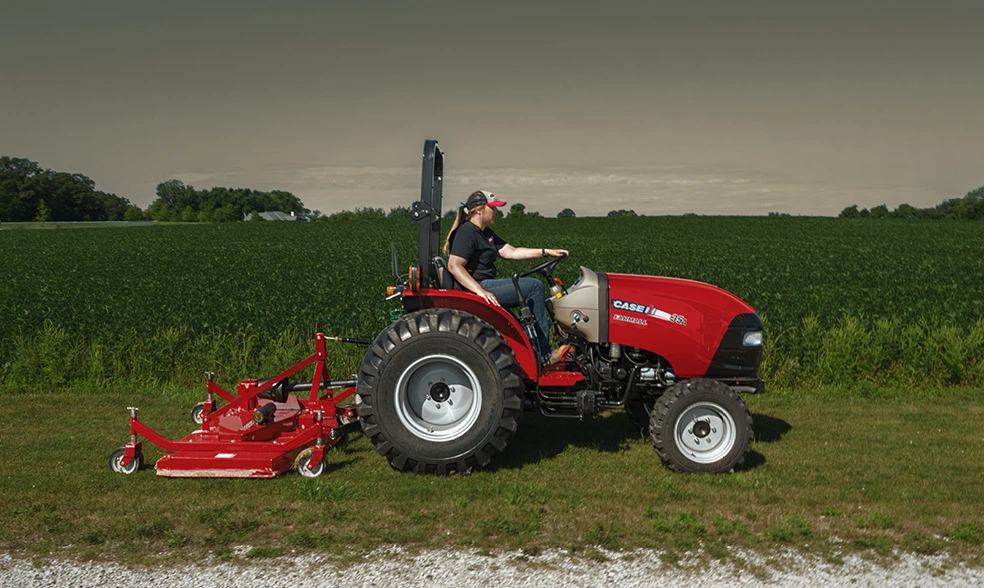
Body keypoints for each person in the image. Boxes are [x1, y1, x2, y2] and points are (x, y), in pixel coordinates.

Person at [444, 190, 571, 365]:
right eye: (493, 208)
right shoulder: (467, 232)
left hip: (483, 285)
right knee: (534, 287)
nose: (497, 212)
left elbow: (511, 251)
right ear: (479, 210)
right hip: (477, 287)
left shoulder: (486, 233)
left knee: (529, 287)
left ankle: (535, 347)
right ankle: (544, 354)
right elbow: (454, 265)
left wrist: (546, 252)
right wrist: (480, 291)